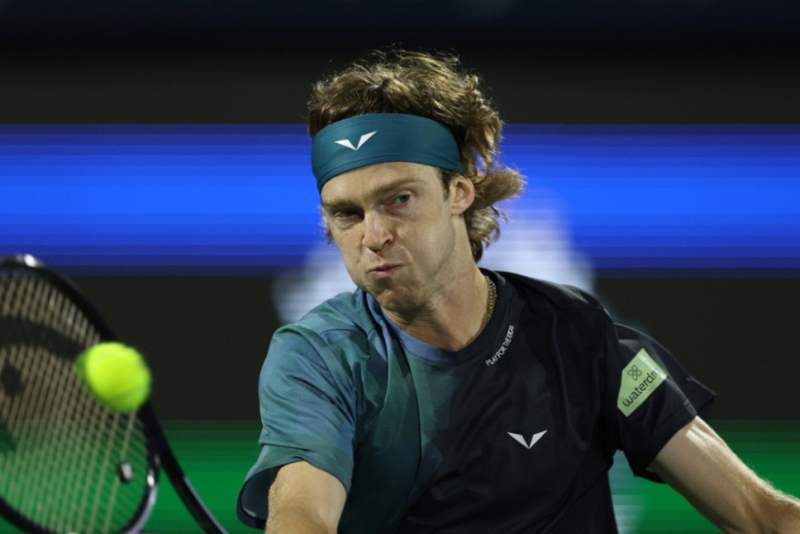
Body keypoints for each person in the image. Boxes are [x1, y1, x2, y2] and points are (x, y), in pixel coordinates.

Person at [237, 49, 800, 533]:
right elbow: (303, 514)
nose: (373, 235)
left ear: (459, 192)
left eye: (399, 199)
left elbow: (761, 516)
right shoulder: (319, 357)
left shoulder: (580, 335)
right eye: (347, 214)